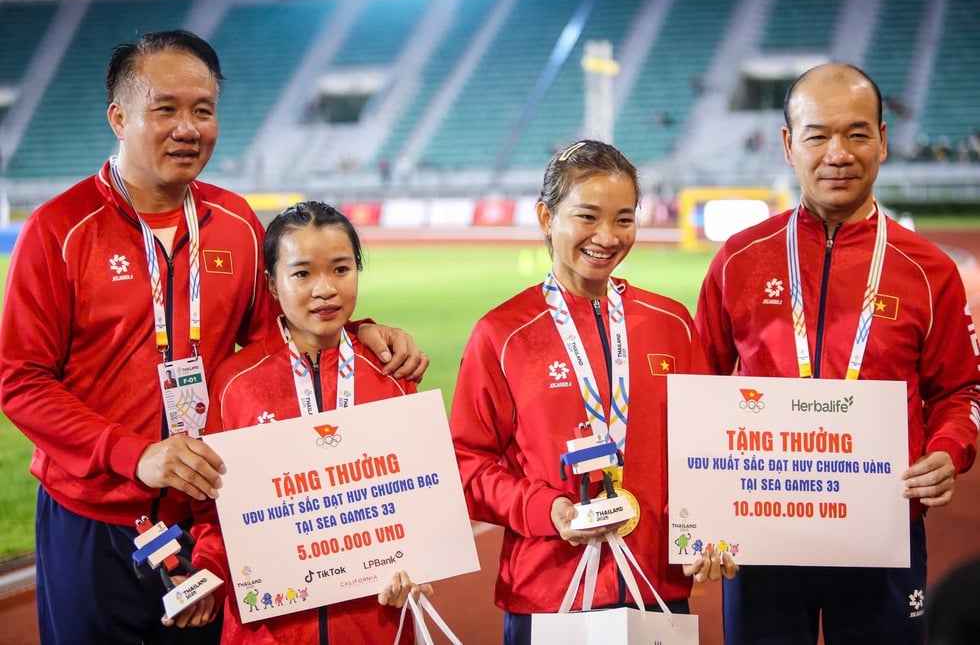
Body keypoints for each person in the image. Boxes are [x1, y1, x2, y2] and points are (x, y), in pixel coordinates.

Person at [0, 30, 426, 644]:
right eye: (165, 108)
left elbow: (276, 342)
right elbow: (20, 381)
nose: (188, 127)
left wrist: (361, 333)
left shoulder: (236, 224)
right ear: (119, 118)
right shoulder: (59, 231)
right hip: (96, 518)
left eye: (203, 110)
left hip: (220, 517)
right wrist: (136, 453)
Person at [695, 63, 980, 644]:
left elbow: (961, 390)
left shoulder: (930, 272)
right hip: (761, 531)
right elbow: (697, 388)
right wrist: (698, 518)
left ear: (883, 140)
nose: (838, 153)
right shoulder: (740, 260)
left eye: (856, 133)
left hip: (882, 529)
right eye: (817, 134)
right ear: (788, 144)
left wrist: (951, 449)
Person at [449, 139, 736, 645]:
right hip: (547, 592)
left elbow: (708, 448)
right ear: (546, 217)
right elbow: (466, 462)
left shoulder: (673, 323)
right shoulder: (503, 333)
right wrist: (546, 510)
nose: (607, 236)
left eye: (624, 219)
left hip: (654, 589)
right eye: (587, 217)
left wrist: (711, 528)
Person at [187, 201, 432, 642]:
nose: (325, 289)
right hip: (267, 631)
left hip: (373, 625)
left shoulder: (392, 375)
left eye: (341, 269)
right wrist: (208, 571)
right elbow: (215, 510)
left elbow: (417, 503)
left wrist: (420, 564)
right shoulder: (233, 382)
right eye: (302, 274)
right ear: (272, 285)